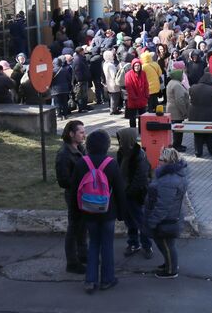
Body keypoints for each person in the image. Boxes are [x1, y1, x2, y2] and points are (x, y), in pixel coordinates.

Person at [69, 130, 126, 294]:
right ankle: (107, 279)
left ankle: (90, 280)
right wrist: (122, 214)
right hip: (108, 212)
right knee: (107, 245)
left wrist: (75, 213)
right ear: (106, 145)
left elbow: (74, 191)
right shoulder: (112, 163)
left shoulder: (81, 163)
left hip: (87, 212)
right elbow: (120, 191)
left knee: (93, 243)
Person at [143, 147, 188, 279]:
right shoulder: (171, 176)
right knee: (166, 244)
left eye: (161, 159)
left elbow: (163, 206)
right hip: (171, 217)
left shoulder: (169, 181)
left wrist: (152, 221)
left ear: (168, 162)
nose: (158, 161)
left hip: (166, 219)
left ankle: (171, 270)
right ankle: (170, 264)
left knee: (166, 245)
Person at [54, 120, 87, 274]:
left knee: (82, 226)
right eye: (81, 132)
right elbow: (63, 181)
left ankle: (83, 255)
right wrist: (80, 182)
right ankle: (72, 263)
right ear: (71, 134)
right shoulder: (64, 155)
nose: (84, 135)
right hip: (74, 195)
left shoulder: (80, 148)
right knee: (74, 227)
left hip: (83, 194)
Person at [115, 128, 152, 260]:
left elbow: (141, 178)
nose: (119, 142)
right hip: (125, 194)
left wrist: (128, 193)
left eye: (120, 139)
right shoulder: (122, 153)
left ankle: (146, 245)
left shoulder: (139, 155)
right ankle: (133, 243)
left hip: (136, 195)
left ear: (127, 140)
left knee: (140, 221)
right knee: (129, 221)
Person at [188, 72, 212, 157]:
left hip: (195, 116)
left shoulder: (193, 88)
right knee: (210, 134)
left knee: (198, 134)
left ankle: (198, 152)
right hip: (210, 116)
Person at [165, 69, 189, 152]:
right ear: (178, 76)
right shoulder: (177, 85)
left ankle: (177, 144)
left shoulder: (171, 82)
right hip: (176, 111)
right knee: (178, 129)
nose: (183, 76)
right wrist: (184, 111)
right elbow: (179, 100)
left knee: (176, 129)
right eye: (182, 75)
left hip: (171, 109)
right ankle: (177, 146)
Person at [124, 58, 148, 129]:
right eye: (135, 66)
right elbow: (129, 87)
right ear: (133, 66)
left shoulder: (143, 73)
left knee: (142, 116)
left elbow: (146, 84)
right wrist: (134, 97)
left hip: (142, 98)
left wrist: (146, 94)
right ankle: (133, 131)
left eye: (138, 65)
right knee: (132, 117)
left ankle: (141, 130)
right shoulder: (128, 75)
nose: (137, 67)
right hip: (133, 99)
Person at [102, 50, 122, 115]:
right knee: (114, 97)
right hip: (113, 83)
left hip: (108, 82)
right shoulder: (110, 65)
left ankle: (113, 109)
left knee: (112, 97)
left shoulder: (105, 64)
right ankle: (113, 110)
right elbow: (114, 75)